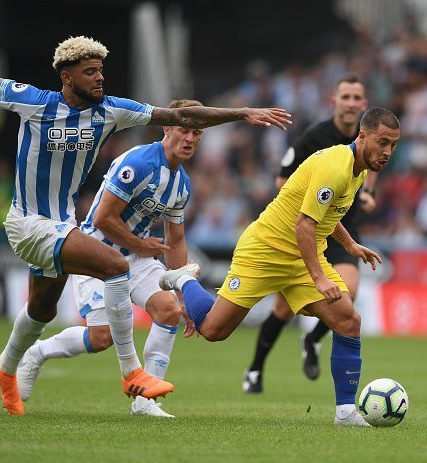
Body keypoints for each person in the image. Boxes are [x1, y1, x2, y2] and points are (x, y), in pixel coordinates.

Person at [0, 36, 290, 415]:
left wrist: (241, 112)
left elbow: (180, 116)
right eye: (89, 72)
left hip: (63, 226)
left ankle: (7, 366)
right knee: (115, 267)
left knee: (41, 311)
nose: (99, 79)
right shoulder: (36, 102)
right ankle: (133, 375)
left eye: (101, 71)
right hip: (30, 223)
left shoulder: (112, 111)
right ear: (67, 77)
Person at [160, 107, 400, 426]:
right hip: (265, 250)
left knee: (347, 320)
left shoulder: (359, 169)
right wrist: (319, 277)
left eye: (393, 145)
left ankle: (345, 413)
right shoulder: (336, 167)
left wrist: (349, 244)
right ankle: (184, 278)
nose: (387, 152)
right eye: (382, 142)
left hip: (301, 256)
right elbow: (304, 225)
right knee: (214, 330)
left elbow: (329, 213)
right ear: (363, 136)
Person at [16, 99, 204, 418]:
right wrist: (141, 244)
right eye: (184, 129)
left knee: (169, 310)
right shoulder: (138, 163)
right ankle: (36, 353)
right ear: (167, 127)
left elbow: (177, 240)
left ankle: (145, 400)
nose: (190, 138)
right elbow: (102, 218)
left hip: (138, 256)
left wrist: (182, 290)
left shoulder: (181, 183)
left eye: (197, 132)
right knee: (100, 337)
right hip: (97, 253)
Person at [243, 74, 376, 393]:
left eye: (357, 98)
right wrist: (313, 200)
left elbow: (369, 169)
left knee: (348, 294)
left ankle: (312, 339)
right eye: (345, 97)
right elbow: (281, 181)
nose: (351, 103)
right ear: (334, 101)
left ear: (364, 104)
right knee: (283, 308)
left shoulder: (368, 138)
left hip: (343, 229)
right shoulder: (314, 138)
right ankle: (255, 369)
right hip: (307, 228)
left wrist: (368, 193)